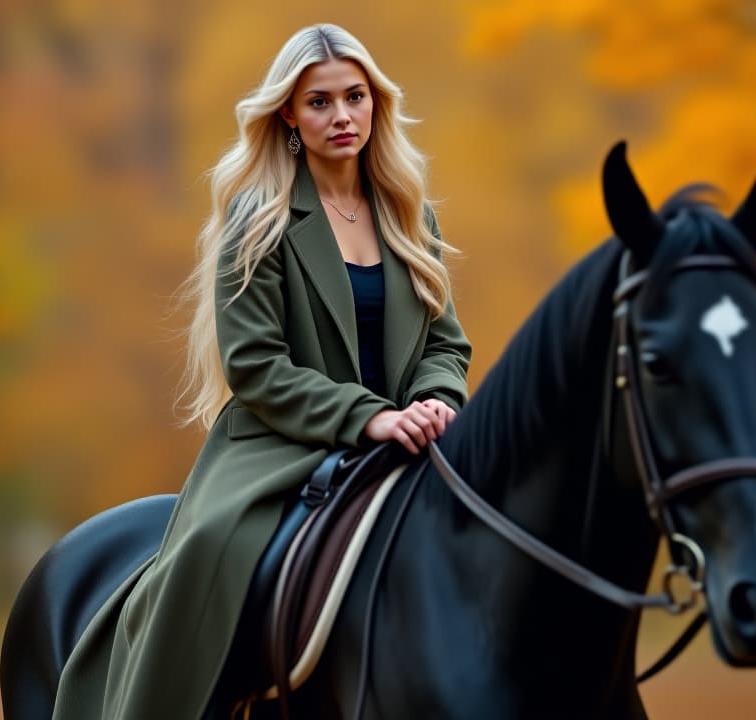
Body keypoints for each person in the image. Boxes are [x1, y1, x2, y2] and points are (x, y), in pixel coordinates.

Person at [52, 23, 471, 719]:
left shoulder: (408, 218)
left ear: (375, 105)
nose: (341, 117)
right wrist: (367, 415)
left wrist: (431, 402)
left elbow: (446, 345)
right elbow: (253, 365)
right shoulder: (259, 222)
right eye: (320, 102)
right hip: (280, 445)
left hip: (409, 439)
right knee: (211, 552)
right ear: (288, 115)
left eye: (355, 97)